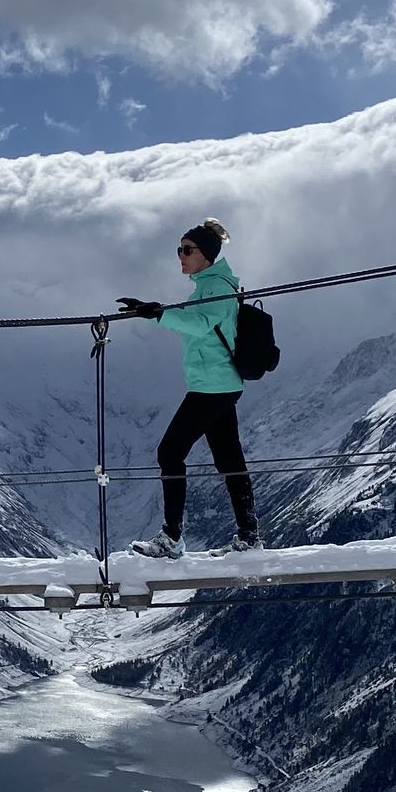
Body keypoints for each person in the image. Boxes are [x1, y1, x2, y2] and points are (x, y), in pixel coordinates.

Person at [116, 218, 260, 556]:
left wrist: (158, 314)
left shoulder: (217, 287)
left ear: (206, 254)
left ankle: (171, 537)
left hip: (212, 386)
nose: (180, 255)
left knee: (170, 452)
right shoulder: (208, 285)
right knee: (229, 459)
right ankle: (249, 535)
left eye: (187, 250)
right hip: (218, 383)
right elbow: (198, 320)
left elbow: (199, 324)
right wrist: (154, 311)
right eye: (179, 249)